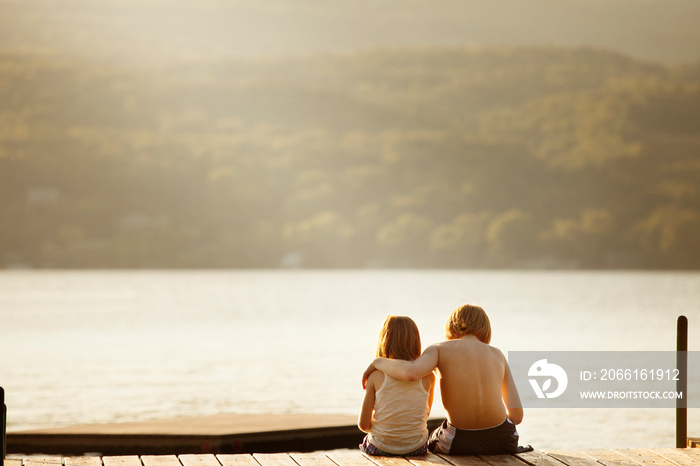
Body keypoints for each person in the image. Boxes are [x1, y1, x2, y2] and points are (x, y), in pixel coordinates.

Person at [362, 304, 528, 455]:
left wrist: (377, 362)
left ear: (452, 326)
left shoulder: (439, 349)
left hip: (459, 442)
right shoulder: (498, 354)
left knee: (434, 436)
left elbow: (411, 373)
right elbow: (516, 416)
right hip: (503, 441)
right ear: (485, 328)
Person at [358, 315, 436, 456]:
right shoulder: (429, 377)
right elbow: (425, 414)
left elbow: (363, 425)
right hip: (416, 448)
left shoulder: (376, 376)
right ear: (415, 342)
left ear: (385, 341)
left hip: (380, 447)